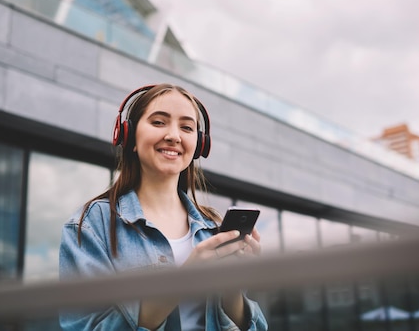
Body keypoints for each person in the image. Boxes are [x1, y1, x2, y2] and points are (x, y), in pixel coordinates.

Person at [59, 83, 268, 330]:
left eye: (187, 127)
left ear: (199, 145)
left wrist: (231, 289)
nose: (173, 135)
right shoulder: (92, 225)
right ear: (129, 136)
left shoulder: (213, 228)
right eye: (159, 122)